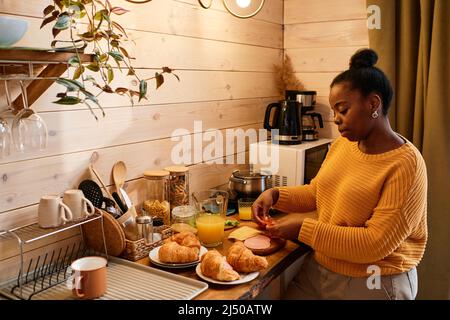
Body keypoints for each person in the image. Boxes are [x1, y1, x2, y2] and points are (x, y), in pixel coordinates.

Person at [252, 48, 428, 300]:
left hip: (375, 280)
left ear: (373, 104)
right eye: (334, 111)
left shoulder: (406, 164)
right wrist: (276, 194)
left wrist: (303, 227)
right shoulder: (342, 145)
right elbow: (318, 192)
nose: (336, 119)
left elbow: (374, 243)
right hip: (323, 266)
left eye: (343, 110)